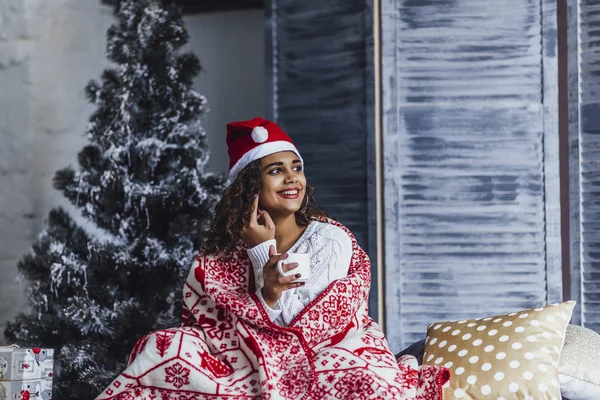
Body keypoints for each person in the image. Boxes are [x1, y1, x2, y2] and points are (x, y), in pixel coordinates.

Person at [96, 117, 448, 400]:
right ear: (251, 186)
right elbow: (208, 322)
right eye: (276, 170)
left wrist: (263, 257)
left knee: (353, 379)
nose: (292, 177)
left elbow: (298, 328)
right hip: (244, 359)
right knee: (165, 345)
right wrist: (256, 257)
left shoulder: (329, 239)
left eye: (296, 167)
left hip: (326, 350)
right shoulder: (225, 251)